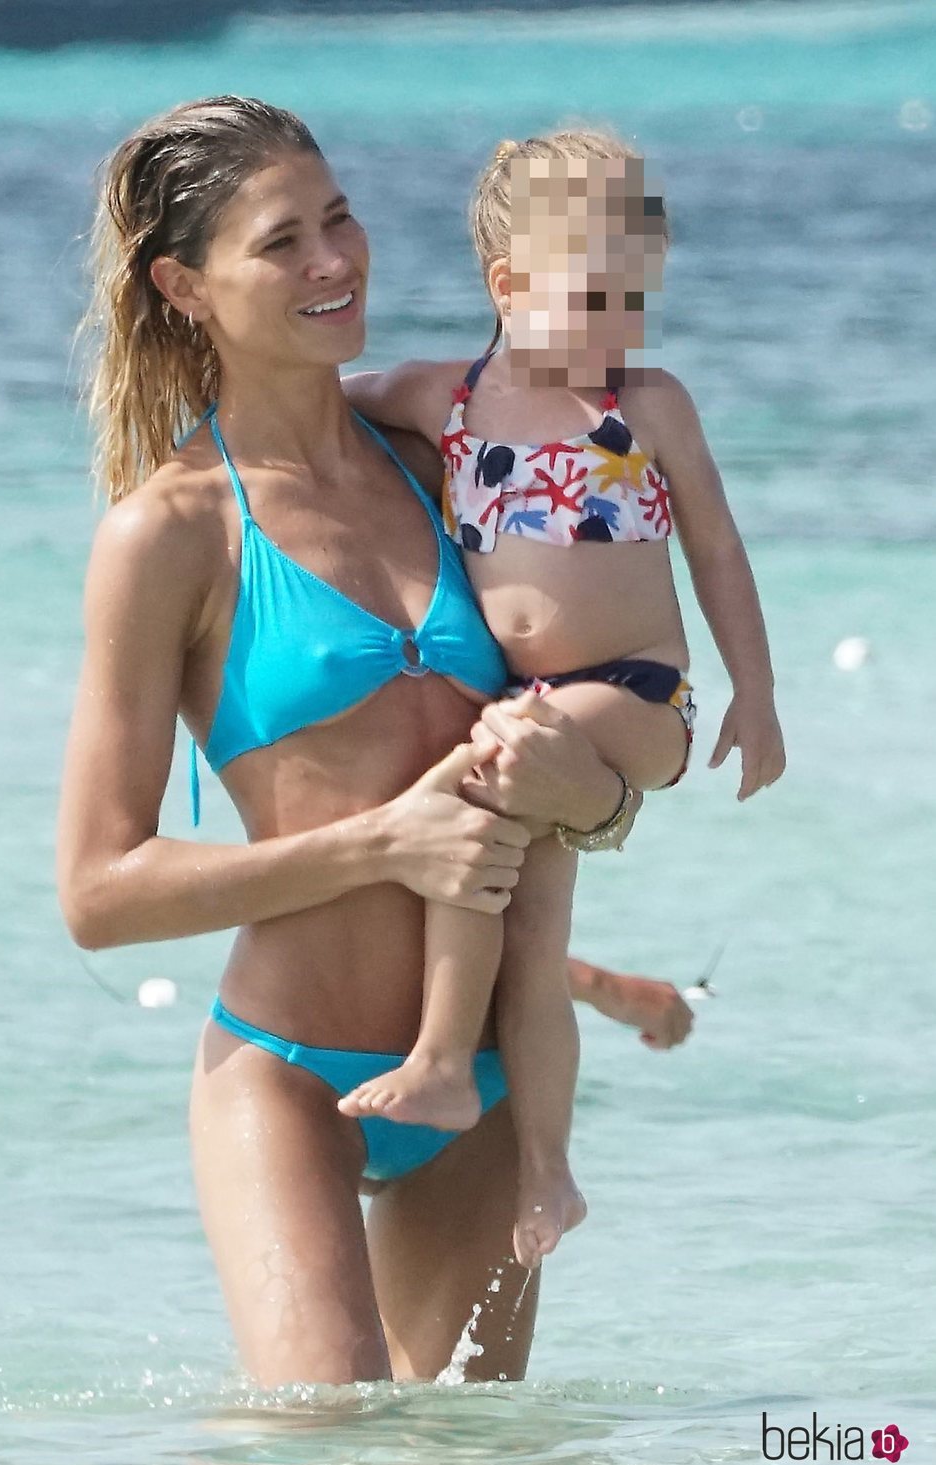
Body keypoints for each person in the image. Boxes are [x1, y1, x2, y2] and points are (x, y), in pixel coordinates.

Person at [57, 96, 690, 1389]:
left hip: (479, 1072)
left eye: (338, 217)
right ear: (184, 284)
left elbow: (649, 706)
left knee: (463, 1442)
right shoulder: (172, 532)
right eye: (282, 241)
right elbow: (97, 891)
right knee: (322, 1431)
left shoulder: (443, 449)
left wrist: (604, 790)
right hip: (286, 1070)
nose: (335, 260)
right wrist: (381, 840)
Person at [342, 127, 786, 1269]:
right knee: (530, 943)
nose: (620, 331)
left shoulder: (645, 405)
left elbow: (720, 552)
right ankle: (547, 1176)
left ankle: (442, 1063)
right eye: (595, 301)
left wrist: (758, 692)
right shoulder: (446, 397)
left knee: (478, 788)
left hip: (637, 696)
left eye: (637, 301)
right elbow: (310, 402)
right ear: (507, 286)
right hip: (531, 698)